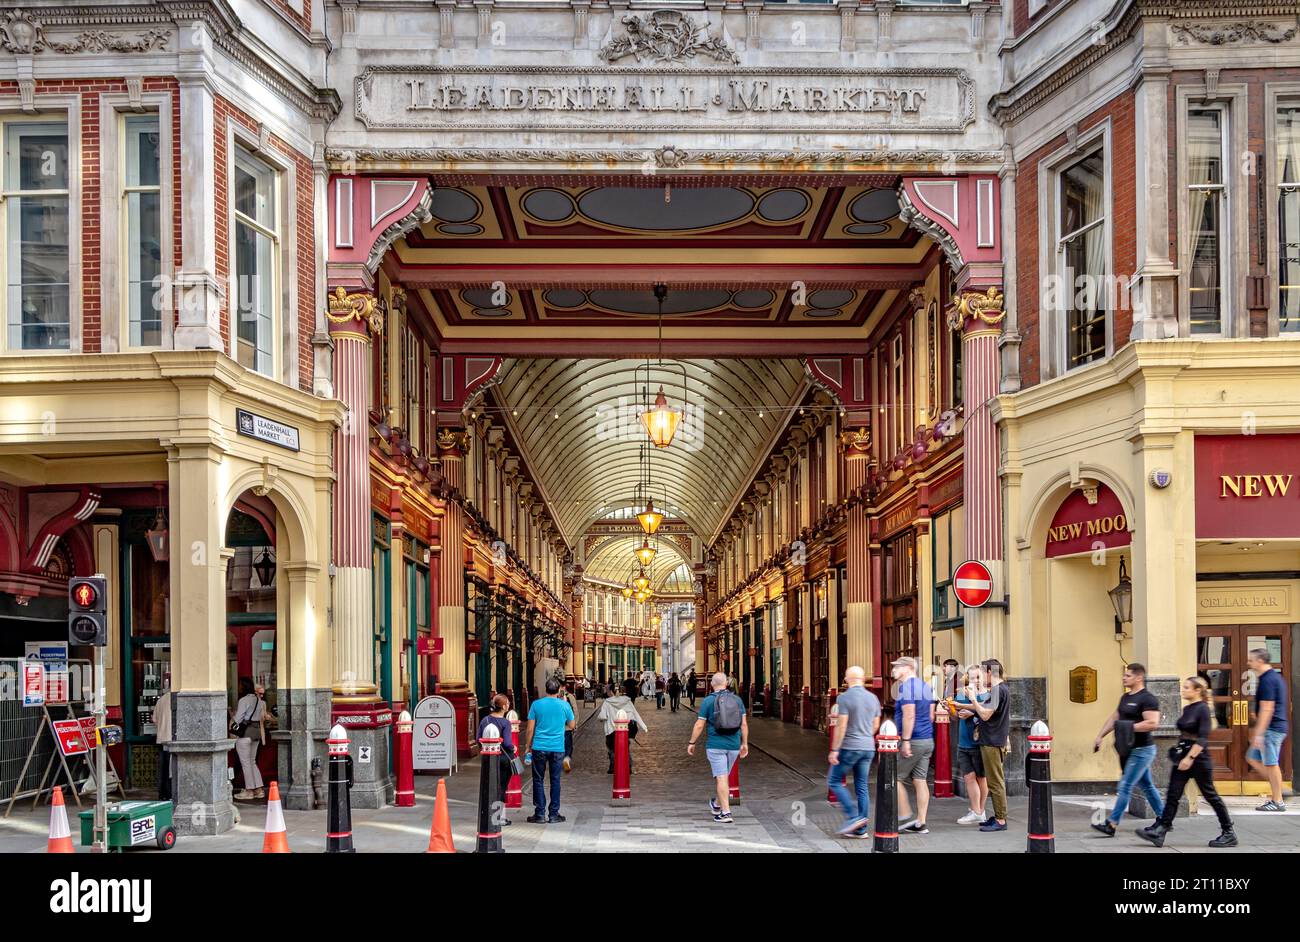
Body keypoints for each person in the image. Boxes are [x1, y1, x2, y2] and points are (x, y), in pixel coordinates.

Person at [1136, 676, 1237, 848]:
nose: (1183, 689)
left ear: (1198, 690)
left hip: (1198, 759)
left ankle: (1229, 833)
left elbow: (1203, 738)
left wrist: (1190, 758)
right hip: (1183, 755)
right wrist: (1182, 756)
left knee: (1210, 796)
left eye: (1187, 687)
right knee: (1173, 794)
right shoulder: (1188, 708)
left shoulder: (1203, 709)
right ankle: (1161, 830)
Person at [1092, 663, 1163, 836]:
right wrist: (1100, 735)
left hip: (1142, 750)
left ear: (1139, 677)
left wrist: (1129, 727)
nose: (1124, 678)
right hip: (1129, 749)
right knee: (1147, 785)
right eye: (1125, 675)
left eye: (1128, 675)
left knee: (1125, 785)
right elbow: (1115, 717)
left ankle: (1111, 824)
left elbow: (1153, 723)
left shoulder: (1148, 699)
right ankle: (1164, 818)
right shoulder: (1125, 698)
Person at [687, 672, 749, 824]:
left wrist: (692, 742)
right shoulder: (737, 700)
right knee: (723, 778)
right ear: (727, 683)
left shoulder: (708, 701)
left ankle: (726, 813)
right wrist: (744, 743)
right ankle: (716, 804)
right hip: (734, 745)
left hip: (715, 746)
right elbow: (744, 724)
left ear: (712, 684)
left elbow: (700, 724)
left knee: (721, 778)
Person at [827, 665, 881, 838]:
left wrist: (835, 749)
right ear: (863, 679)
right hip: (868, 747)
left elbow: (841, 725)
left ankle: (852, 817)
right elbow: (876, 724)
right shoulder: (873, 698)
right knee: (862, 787)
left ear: (847, 679)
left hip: (850, 746)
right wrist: (865, 736)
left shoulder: (844, 698)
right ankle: (861, 829)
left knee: (834, 780)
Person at [958, 658, 1011, 831]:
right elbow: (985, 708)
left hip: (992, 741)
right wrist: (962, 705)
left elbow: (986, 714)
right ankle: (997, 816)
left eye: (983, 672)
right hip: (992, 740)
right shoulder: (1000, 689)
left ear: (990, 672)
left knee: (995, 782)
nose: (982, 676)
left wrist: (972, 698)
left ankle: (1001, 820)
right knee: (994, 781)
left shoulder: (997, 690)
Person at [890, 657, 935, 834]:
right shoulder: (925, 686)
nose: (892, 670)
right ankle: (921, 822)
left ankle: (905, 814)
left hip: (913, 740)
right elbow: (931, 715)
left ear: (908, 668)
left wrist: (906, 741)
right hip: (927, 739)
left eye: (896, 667)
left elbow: (909, 715)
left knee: (895, 777)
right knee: (920, 780)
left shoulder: (906, 688)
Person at [522, 678, 575, 823]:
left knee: (538, 780)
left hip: (539, 747)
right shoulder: (564, 705)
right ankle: (553, 814)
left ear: (546, 689)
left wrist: (527, 746)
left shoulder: (536, 705)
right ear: (558, 690)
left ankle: (539, 814)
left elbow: (530, 729)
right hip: (557, 748)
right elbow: (572, 725)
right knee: (555, 780)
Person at [1246, 647, 1288, 812]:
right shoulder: (1272, 677)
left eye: (1251, 660)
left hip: (1271, 729)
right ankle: (1280, 788)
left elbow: (1267, 708)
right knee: (1252, 757)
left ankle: (1278, 801)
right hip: (1272, 728)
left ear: (1260, 661)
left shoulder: (1268, 680)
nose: (1249, 663)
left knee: (1271, 764)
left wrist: (1259, 733)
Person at [952, 665, 988, 825]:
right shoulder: (961, 694)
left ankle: (980, 810)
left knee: (981, 778)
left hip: (979, 743)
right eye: (972, 677)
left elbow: (988, 714)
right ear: (967, 678)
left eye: (978, 677)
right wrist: (950, 709)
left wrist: (971, 712)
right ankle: (976, 811)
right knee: (968, 777)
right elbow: (955, 717)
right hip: (964, 741)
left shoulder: (987, 696)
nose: (975, 681)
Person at [476, 694, 516, 826]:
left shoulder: (485, 720)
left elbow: (478, 739)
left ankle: (489, 814)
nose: (509, 705)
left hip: (489, 759)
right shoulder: (505, 723)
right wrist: (514, 748)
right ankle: (499, 817)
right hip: (504, 759)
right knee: (501, 787)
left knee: (490, 786)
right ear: (504, 707)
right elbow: (508, 743)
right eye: (508, 703)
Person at [597, 686, 649, 773]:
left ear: (611, 692)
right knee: (625, 749)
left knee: (612, 749)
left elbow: (602, 716)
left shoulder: (607, 702)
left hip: (611, 730)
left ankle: (613, 768)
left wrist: (601, 718)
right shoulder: (627, 702)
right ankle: (628, 768)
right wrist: (644, 727)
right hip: (624, 730)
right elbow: (635, 714)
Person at [231, 677, 267, 801]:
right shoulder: (259, 701)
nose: (239, 687)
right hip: (256, 733)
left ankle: (249, 790)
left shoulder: (244, 700)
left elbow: (239, 718)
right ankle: (259, 789)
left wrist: (232, 716)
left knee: (246, 763)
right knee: (252, 762)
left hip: (245, 734)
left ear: (243, 687)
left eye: (240, 685)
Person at [155, 677, 173, 802]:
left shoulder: (161, 700)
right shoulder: (178, 699)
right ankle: (171, 792)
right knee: (172, 769)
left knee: (164, 768)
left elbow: (155, 719)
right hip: (173, 739)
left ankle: (163, 794)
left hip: (162, 737)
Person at [556, 676, 580, 773]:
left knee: (558, 746)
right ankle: (566, 759)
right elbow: (575, 711)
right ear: (564, 686)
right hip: (567, 728)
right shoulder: (570, 697)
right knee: (568, 746)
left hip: (556, 728)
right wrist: (575, 725)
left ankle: (558, 762)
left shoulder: (554, 698)